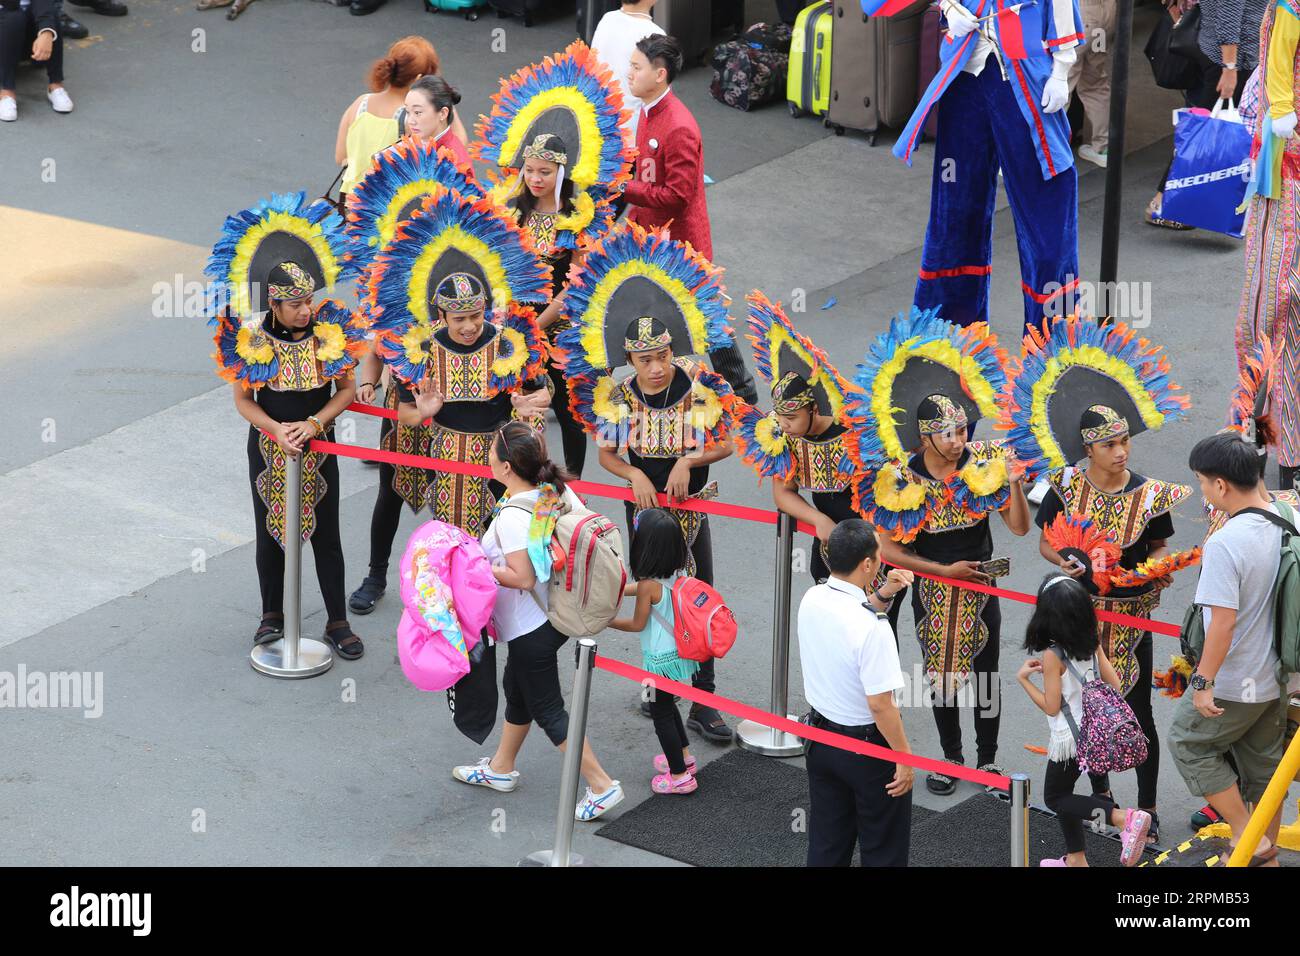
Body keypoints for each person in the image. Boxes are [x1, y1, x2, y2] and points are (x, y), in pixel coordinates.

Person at [1004, 314, 1193, 844]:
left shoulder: (1150, 495)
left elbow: (1159, 548)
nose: (1122, 451)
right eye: (1110, 444)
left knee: (1136, 713)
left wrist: (1157, 575)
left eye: (1125, 441)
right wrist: (1062, 560)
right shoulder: (1065, 484)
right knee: (1088, 717)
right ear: (1089, 448)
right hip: (1078, 619)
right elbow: (1043, 538)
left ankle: (1149, 808)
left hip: (1132, 617)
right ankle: (1106, 803)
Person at [558, 223, 740, 742]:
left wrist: (690, 459)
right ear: (630, 361)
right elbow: (609, 456)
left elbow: (727, 443)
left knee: (699, 591)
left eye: (661, 356)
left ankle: (703, 697)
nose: (656, 368)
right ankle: (658, 684)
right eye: (644, 360)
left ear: (671, 350)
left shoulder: (699, 388)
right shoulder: (619, 398)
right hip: (642, 513)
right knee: (652, 595)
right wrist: (635, 471)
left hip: (692, 509)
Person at [843, 307, 1025, 794]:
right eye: (949, 434)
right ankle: (950, 758)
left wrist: (1015, 487)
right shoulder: (901, 477)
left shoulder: (985, 462)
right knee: (942, 677)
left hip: (982, 586)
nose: (960, 441)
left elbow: (1020, 529)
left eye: (964, 430)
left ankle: (987, 762)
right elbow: (889, 551)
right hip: (936, 591)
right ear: (926, 436)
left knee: (985, 672)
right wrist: (944, 569)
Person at [204, 193, 367, 659]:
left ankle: (338, 620)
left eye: (308, 300)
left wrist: (315, 424)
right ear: (274, 304)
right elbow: (243, 401)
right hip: (269, 448)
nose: (305, 310)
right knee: (270, 531)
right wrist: (276, 429)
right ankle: (270, 615)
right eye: (295, 304)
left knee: (327, 534)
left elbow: (345, 391)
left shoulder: (330, 333)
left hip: (319, 445)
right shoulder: (249, 339)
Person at [350, 254, 551, 614]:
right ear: (441, 317)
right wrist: (421, 412)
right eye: (459, 319)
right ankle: (409, 593)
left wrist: (529, 402)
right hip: (443, 455)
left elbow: (543, 391)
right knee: (442, 534)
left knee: (495, 535)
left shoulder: (509, 343)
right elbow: (404, 414)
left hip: (495, 459)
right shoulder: (421, 348)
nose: (470, 326)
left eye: (476, 316)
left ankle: (489, 608)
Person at [452, 421, 625, 822]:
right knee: (518, 687)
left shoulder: (514, 513)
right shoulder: (554, 491)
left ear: (507, 467)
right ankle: (500, 768)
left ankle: (601, 785)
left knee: (547, 708)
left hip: (533, 627)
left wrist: (478, 565)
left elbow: (524, 577)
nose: (488, 455)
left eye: (492, 450)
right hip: (556, 614)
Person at [892, 0, 1086, 334]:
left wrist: (1061, 67)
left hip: (1024, 74)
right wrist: (951, 9)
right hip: (964, 73)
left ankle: (1055, 342)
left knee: (1046, 211)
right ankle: (948, 334)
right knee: (954, 212)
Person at [1169, 433, 1291, 866]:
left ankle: (1248, 837)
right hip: (1278, 677)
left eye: (1202, 482)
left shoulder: (1225, 543)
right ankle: (1268, 855)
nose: (1203, 490)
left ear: (1220, 485)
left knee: (1188, 742)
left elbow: (1222, 623)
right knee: (1265, 774)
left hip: (1235, 681)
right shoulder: (1286, 516)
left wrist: (1202, 683)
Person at [622, 32, 759, 404]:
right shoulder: (647, 112)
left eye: (636, 67)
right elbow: (643, 170)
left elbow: (678, 197)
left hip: (683, 245)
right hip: (651, 237)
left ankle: (742, 393)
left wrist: (623, 189)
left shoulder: (679, 126)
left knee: (708, 321)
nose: (628, 73)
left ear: (660, 74)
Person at [797, 519, 915, 867]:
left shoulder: (813, 596)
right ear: (868, 564)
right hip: (868, 752)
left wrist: (884, 594)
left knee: (827, 846)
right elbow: (880, 704)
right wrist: (904, 757)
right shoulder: (874, 629)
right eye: (879, 555)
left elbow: (849, 620)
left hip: (820, 739)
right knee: (883, 850)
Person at [1019, 573, 1154, 867]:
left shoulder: (1053, 654)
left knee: (1055, 798)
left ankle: (1123, 818)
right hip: (1095, 734)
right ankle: (1076, 860)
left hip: (1070, 740)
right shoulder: (1091, 641)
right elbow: (1115, 684)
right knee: (1065, 796)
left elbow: (1052, 707)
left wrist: (1024, 680)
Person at [733, 292, 856, 585]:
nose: (784, 426)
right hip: (827, 543)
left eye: (791, 419)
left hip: (870, 544)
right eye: (781, 418)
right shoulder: (784, 437)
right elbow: (783, 493)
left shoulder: (854, 429)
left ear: (814, 408)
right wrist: (818, 520)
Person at [1234, 0, 1300, 487]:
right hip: (1286, 177)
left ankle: (1289, 451)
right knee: (1269, 311)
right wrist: (1282, 114)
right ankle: (1252, 436)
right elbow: (1277, 67)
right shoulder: (1289, 7)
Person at [506, 133, 592, 477]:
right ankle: (526, 481)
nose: (536, 179)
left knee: (568, 410)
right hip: (517, 326)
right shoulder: (514, 210)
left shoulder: (576, 216)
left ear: (561, 172)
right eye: (529, 170)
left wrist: (537, 325)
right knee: (521, 407)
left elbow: (575, 284)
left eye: (544, 171)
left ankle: (572, 486)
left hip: (559, 327)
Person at [1146, 0, 1263, 228]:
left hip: (1227, 53)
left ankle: (1173, 202)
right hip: (1228, 60)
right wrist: (1229, 68)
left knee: (1205, 128)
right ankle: (1161, 202)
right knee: (1202, 131)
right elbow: (1230, 14)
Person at [609, 508, 700, 795]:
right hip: (680, 655)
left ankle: (679, 776)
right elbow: (652, 591)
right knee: (668, 706)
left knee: (661, 715)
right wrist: (623, 589)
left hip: (658, 662)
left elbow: (637, 624)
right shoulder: (680, 572)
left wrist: (608, 621)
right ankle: (685, 757)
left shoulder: (649, 585)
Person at [334, 37, 467, 198]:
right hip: (388, 208)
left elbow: (340, 157)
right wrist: (444, 101)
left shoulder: (359, 103)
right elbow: (456, 147)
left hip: (352, 200)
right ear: (419, 79)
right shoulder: (414, 118)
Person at [591, 0, 665, 143]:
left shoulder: (607, 19)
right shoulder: (654, 34)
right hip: (632, 130)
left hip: (598, 120)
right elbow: (659, 94)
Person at [0, 0, 73, 121]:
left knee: (50, 14)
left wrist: (46, 31)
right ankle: (7, 92)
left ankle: (55, 85)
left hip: (22, 37)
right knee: (13, 16)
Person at [1068, 0, 1116, 168]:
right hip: (1106, 16)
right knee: (1095, 83)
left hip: (1082, 14)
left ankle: (1045, 151)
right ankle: (1103, 148)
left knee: (1061, 84)